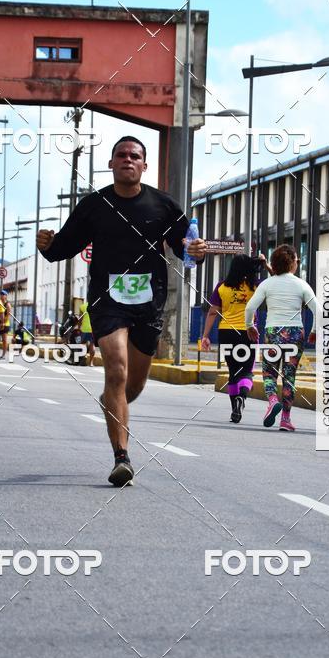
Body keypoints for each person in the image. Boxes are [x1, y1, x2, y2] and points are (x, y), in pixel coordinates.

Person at [37, 135, 206, 486]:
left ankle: (112, 403)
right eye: (121, 155)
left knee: (132, 385)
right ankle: (122, 458)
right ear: (111, 163)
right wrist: (46, 244)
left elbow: (185, 249)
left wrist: (196, 250)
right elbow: (62, 249)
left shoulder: (164, 205)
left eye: (135, 156)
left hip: (149, 303)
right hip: (107, 301)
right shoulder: (94, 206)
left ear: (144, 165)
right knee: (116, 371)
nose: (128, 159)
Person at [245, 244, 316, 431]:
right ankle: (285, 419)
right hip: (295, 332)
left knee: (269, 372)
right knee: (289, 375)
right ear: (292, 263)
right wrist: (314, 331)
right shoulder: (302, 284)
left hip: (273, 332)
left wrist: (249, 326)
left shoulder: (267, 284)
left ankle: (272, 400)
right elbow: (319, 311)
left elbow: (250, 308)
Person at [201, 254, 261, 423]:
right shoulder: (256, 286)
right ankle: (243, 396)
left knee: (233, 371)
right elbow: (275, 281)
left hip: (226, 332)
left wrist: (205, 335)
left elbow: (213, 312)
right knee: (247, 371)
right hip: (248, 331)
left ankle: (235, 408)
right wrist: (264, 264)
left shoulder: (222, 286)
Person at [79, 299, 96, 366]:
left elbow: (80, 319)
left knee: (83, 344)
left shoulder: (83, 306)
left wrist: (79, 327)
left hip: (84, 329)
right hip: (93, 329)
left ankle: (83, 359)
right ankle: (91, 362)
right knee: (92, 345)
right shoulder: (96, 305)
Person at [0, 290, 12, 360]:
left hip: (5, 324)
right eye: (1, 294)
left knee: (4, 340)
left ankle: (3, 354)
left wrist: (2, 323)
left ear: (6, 296)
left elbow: (8, 316)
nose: (1, 296)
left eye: (3, 294)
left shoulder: (8, 304)